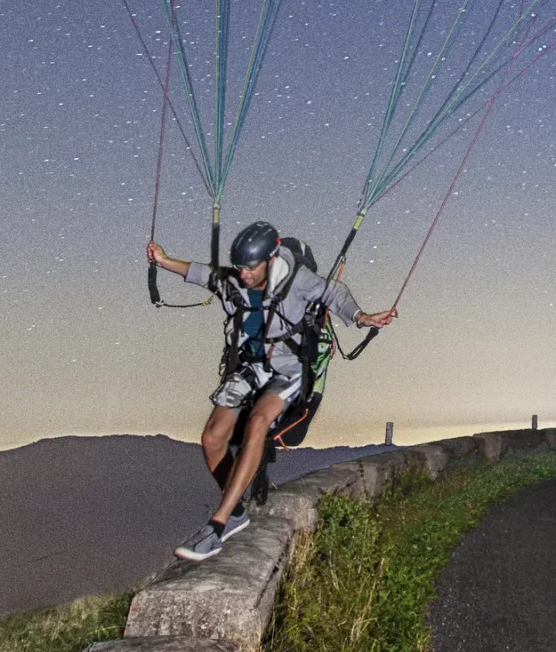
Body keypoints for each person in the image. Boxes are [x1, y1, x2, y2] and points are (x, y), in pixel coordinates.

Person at [148, 219, 397, 562]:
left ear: (269, 259)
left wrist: (362, 317)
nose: (244, 274)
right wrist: (163, 260)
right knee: (212, 437)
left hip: (287, 369)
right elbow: (199, 272)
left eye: (250, 268)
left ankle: (218, 525)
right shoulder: (233, 280)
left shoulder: (296, 281)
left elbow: (333, 294)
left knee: (258, 421)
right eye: (239, 268)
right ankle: (235, 510)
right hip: (250, 367)